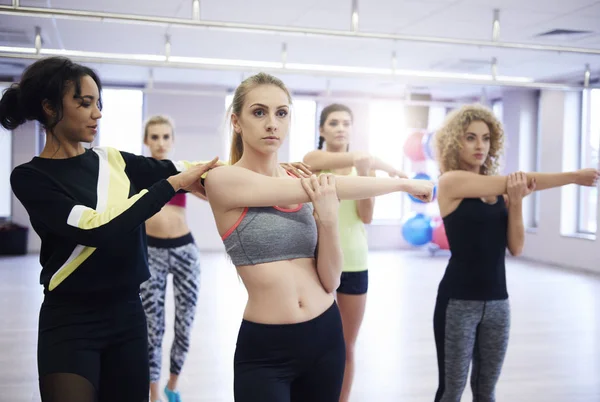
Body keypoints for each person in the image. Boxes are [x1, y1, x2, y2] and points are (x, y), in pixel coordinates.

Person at [1, 56, 309, 402]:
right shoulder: (30, 177)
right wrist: (171, 185)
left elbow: (197, 169)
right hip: (70, 324)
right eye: (84, 103)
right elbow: (94, 228)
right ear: (49, 107)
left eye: (99, 103)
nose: (97, 114)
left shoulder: (113, 160)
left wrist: (270, 170)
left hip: (128, 319)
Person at [202, 72, 435, 401]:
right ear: (236, 122)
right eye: (259, 112)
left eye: (281, 113)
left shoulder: (299, 176)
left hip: (325, 336)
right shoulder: (223, 180)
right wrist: (404, 184)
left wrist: (327, 220)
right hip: (267, 349)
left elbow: (331, 279)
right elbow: (333, 187)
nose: (272, 123)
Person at [433, 103, 599, 402]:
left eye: (485, 138)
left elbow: (517, 247)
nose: (480, 145)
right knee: (451, 391)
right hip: (458, 303)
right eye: (470, 137)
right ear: (454, 141)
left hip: (498, 303)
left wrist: (517, 201)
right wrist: (573, 176)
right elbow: (523, 180)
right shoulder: (450, 181)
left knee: (487, 391)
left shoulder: (501, 191)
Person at [303, 103, 407, 402]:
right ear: (322, 130)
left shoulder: (363, 166)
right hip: (317, 262)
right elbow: (313, 158)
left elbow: (366, 216)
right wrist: (383, 166)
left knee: (347, 345)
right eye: (333, 123)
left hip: (355, 263)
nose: (340, 128)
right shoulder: (314, 162)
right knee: (317, 343)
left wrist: (367, 170)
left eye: (346, 123)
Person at [139, 115, 203, 402]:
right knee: (153, 327)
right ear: (146, 140)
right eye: (155, 137)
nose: (161, 143)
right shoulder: (137, 171)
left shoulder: (181, 172)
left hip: (185, 252)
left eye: (166, 137)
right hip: (151, 253)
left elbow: (214, 191)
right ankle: (153, 395)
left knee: (184, 323)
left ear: (173, 141)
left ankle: (172, 386)